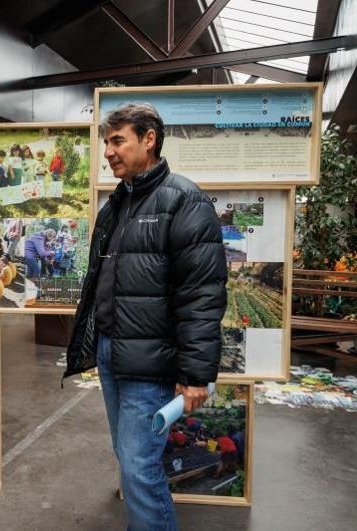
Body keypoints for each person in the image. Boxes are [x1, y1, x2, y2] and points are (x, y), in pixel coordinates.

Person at [63, 104, 227, 531]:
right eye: (107, 143)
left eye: (118, 141)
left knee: (138, 466)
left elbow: (202, 296)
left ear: (149, 139)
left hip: (150, 363)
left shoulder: (184, 200)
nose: (108, 152)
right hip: (111, 354)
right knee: (130, 459)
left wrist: (196, 374)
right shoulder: (115, 206)